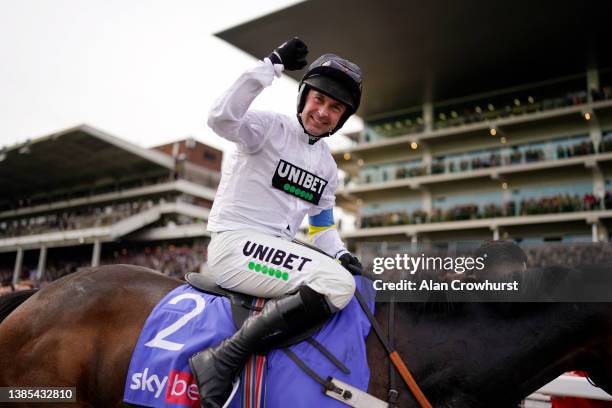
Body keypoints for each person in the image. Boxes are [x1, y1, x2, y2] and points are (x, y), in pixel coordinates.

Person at [188, 37, 364, 407]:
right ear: (303, 98)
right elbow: (220, 118)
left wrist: (342, 253)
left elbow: (321, 227)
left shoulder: (328, 168)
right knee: (336, 284)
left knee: (342, 275)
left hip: (274, 251)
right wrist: (270, 65)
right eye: (318, 99)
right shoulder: (267, 129)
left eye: (335, 107)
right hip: (235, 246)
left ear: (343, 118)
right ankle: (223, 358)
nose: (322, 112)